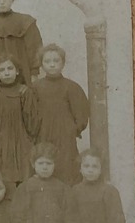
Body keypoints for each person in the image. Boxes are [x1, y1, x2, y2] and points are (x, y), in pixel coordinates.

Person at [32, 44, 91, 184]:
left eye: (56, 61)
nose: (52, 65)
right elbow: (30, 112)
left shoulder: (71, 87)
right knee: (45, 164)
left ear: (63, 63)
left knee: (66, 167)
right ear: (41, 64)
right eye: (47, 61)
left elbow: (82, 113)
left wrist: (72, 129)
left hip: (65, 136)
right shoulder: (35, 88)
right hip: (43, 133)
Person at [0, 54, 40, 188]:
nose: (6, 73)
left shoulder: (24, 92)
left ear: (17, 71)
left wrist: (29, 139)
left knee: (24, 176)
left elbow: (31, 120)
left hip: (21, 140)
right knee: (1, 176)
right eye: (2, 70)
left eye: (10, 69)